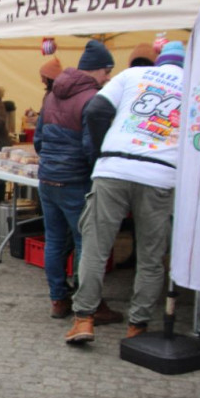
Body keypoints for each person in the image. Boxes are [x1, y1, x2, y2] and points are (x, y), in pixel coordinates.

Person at [65, 41, 186, 344]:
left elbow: (95, 110)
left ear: (160, 62)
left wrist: (104, 149)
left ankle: (83, 319)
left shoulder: (134, 76)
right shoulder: (195, 85)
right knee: (151, 255)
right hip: (160, 172)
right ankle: (138, 325)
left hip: (114, 167)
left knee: (95, 247)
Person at [34, 40, 122, 324]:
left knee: (55, 241)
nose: (109, 76)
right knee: (86, 242)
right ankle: (89, 305)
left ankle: (59, 300)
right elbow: (91, 148)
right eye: (107, 70)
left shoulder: (50, 97)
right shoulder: (93, 100)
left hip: (48, 179)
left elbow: (38, 141)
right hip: (75, 182)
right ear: (96, 70)